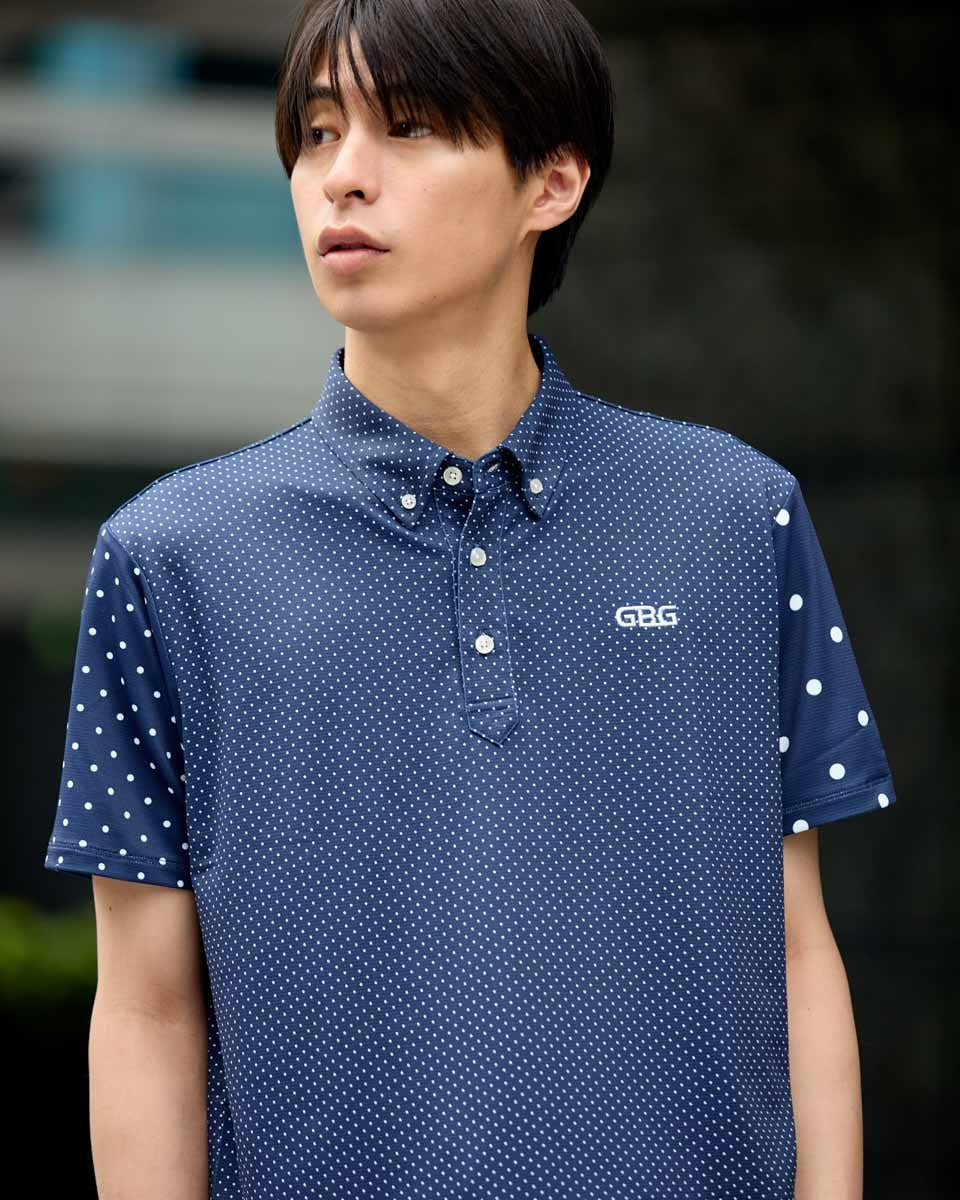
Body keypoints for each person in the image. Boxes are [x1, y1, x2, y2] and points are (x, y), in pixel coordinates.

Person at [42, 2, 898, 1197]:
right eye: (318, 132)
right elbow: (146, 1008)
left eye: (410, 127)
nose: (343, 176)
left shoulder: (734, 515)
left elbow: (796, 949)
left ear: (553, 181)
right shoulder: (167, 555)